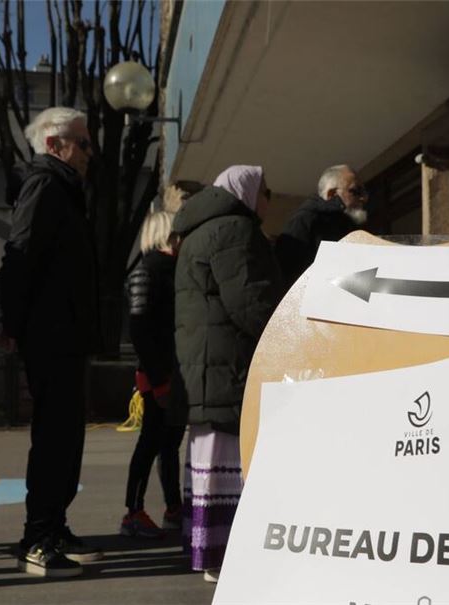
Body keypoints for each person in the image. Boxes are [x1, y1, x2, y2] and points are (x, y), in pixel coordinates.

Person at [0, 106, 102, 578]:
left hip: (65, 331)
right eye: (81, 143)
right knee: (54, 438)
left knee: (66, 439)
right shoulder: (44, 186)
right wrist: (13, 322)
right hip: (50, 333)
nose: (88, 152)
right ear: (53, 145)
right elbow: (20, 255)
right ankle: (36, 538)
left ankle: (54, 526)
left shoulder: (64, 189)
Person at [172, 165, 283, 582]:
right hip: (231, 366)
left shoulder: (197, 231)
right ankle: (228, 555)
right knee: (233, 463)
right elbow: (250, 301)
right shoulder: (235, 229)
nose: (269, 200)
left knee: (208, 462)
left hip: (203, 368)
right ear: (248, 191)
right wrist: (284, 337)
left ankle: (210, 553)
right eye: (266, 190)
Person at [120, 210, 188, 538]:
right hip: (160, 372)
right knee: (155, 441)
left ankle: (165, 508)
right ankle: (135, 511)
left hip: (159, 371)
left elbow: (141, 327)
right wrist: (161, 379)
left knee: (165, 441)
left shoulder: (149, 270)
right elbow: (142, 329)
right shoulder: (154, 271)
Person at [275, 164, 368, 287]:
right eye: (356, 191)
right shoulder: (306, 220)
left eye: (364, 192)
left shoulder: (350, 227)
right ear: (331, 194)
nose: (363, 198)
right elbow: (288, 276)